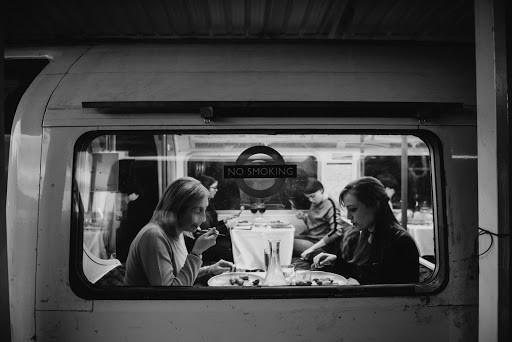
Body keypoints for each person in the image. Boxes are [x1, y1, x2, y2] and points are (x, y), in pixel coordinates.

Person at [124, 177, 234, 286]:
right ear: (178, 208)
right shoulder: (154, 236)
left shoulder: (178, 232)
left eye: (204, 210)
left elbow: (179, 275)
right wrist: (196, 253)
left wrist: (210, 269)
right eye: (197, 210)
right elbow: (170, 294)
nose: (204, 218)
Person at [312, 177, 419, 284]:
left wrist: (358, 284)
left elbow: (395, 289)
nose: (349, 217)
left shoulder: (400, 242)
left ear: (375, 205)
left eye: (353, 209)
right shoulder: (361, 234)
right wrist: (335, 261)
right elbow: (359, 268)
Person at [293, 179, 349, 259]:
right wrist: (304, 217)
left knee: (286, 242)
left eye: (312, 196)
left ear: (321, 190)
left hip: (320, 245)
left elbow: (337, 231)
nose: (311, 200)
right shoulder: (315, 202)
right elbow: (316, 223)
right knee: (287, 238)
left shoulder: (330, 204)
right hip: (310, 238)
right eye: (308, 198)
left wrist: (312, 249)